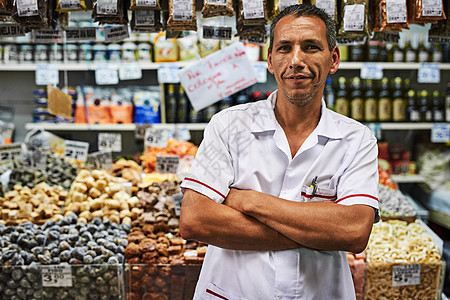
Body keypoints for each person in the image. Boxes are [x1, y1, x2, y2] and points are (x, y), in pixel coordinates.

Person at [179, 4, 379, 300]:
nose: (296, 60)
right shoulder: (229, 125)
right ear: (270, 60)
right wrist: (313, 233)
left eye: (311, 47)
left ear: (333, 59)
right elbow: (195, 219)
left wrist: (247, 199)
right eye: (284, 48)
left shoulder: (356, 139)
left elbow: (353, 231)